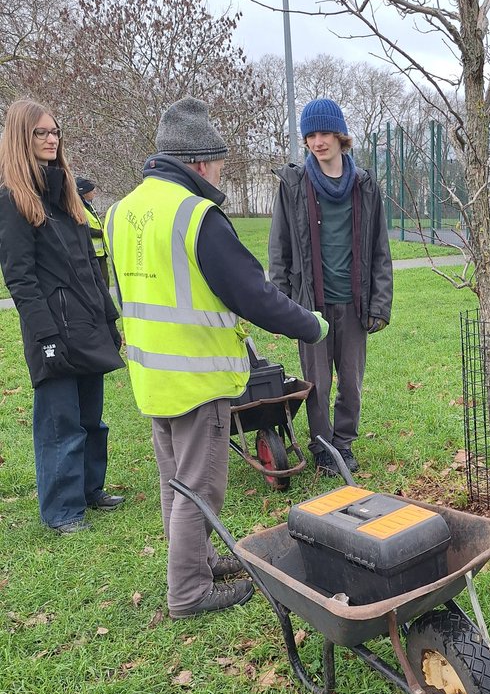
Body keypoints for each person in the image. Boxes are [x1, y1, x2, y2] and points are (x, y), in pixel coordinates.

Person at [106, 97, 328, 620]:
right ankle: (188, 592)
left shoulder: (121, 211)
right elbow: (255, 296)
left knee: (175, 482)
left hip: (151, 378)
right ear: (200, 162)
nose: (222, 172)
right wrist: (311, 324)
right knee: (199, 488)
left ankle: (198, 561)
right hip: (197, 380)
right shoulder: (196, 216)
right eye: (221, 163)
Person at [0, 99, 125, 534]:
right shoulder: (14, 200)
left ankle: (90, 491)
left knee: (92, 418)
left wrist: (110, 318)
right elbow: (20, 278)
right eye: (40, 133)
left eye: (54, 132)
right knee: (60, 424)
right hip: (52, 330)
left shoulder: (68, 193)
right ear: (21, 138)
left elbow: (92, 266)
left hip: (88, 325)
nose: (51, 139)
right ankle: (61, 511)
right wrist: (45, 336)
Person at [268, 98, 392, 475]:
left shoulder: (365, 186)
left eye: (324, 133)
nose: (317, 142)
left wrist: (380, 303)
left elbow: (379, 250)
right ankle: (323, 448)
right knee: (317, 384)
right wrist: (285, 306)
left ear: (340, 137)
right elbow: (280, 250)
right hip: (310, 306)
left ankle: (344, 443)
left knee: (351, 382)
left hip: (355, 305)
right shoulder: (293, 185)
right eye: (310, 135)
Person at [76, 176, 110, 286]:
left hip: (100, 254)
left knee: (105, 283)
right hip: (91, 254)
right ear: (84, 193)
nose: (94, 193)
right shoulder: (79, 208)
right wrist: (101, 232)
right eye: (91, 190)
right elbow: (82, 229)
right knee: (98, 284)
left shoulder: (89, 206)